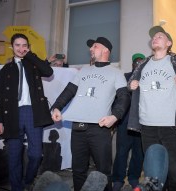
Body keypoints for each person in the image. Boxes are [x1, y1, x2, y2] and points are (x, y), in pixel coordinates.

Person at [50, 36, 130, 191]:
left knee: (103, 171)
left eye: (95, 46)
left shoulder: (116, 73)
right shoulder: (84, 71)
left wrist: (114, 116)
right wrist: (56, 107)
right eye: (91, 47)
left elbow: (124, 97)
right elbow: (68, 91)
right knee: (78, 170)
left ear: (106, 50)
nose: (91, 49)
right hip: (78, 128)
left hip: (99, 129)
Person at [127, 26, 176, 191]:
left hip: (171, 127)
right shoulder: (144, 63)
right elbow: (130, 82)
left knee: (175, 172)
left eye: (159, 36)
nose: (155, 38)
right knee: (153, 173)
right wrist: (131, 85)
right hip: (146, 126)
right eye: (153, 37)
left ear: (168, 43)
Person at [0, 33, 54, 191]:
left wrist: (31, 56)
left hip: (32, 112)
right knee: (14, 156)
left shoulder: (32, 63)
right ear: (11, 47)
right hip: (12, 115)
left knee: (35, 154)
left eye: (24, 45)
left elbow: (48, 71)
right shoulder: (6, 69)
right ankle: (16, 188)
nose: (21, 48)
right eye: (17, 45)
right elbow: (1, 96)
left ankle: (28, 180)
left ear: (28, 46)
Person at [112, 53, 145, 191]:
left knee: (138, 153)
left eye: (140, 63)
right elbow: (117, 99)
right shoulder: (124, 77)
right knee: (121, 152)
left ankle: (133, 178)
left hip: (141, 122)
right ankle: (118, 179)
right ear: (132, 64)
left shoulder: (146, 79)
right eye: (135, 62)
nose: (137, 65)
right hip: (124, 122)